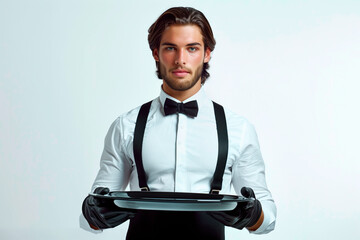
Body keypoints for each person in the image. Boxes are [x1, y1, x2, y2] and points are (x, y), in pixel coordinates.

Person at [80, 6, 276, 239]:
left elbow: (268, 218)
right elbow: (92, 213)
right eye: (170, 48)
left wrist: (254, 215)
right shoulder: (126, 125)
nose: (180, 60)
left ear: (207, 54)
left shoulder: (238, 129)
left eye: (192, 48)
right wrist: (93, 214)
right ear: (156, 53)